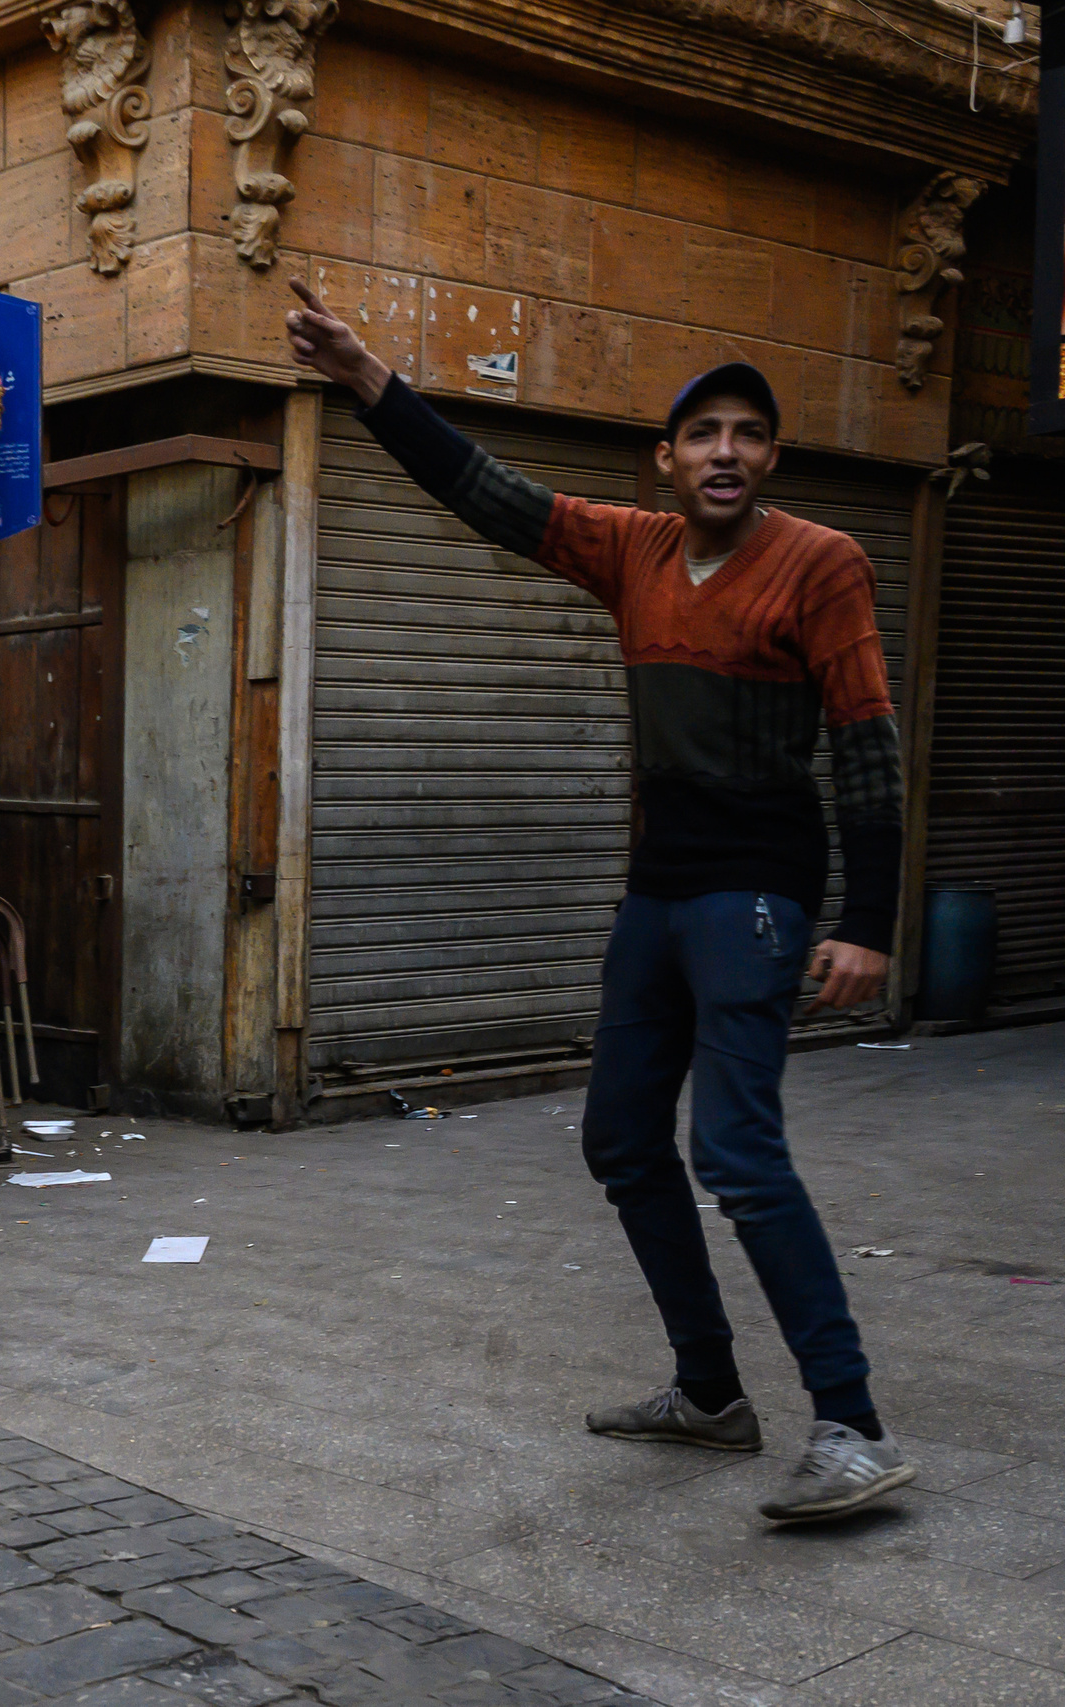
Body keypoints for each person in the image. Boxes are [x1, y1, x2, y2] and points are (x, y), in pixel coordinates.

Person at [284, 279, 915, 1524]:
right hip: (655, 898)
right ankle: (709, 1394)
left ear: (770, 459)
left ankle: (851, 1426)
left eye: (747, 435)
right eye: (702, 434)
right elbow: (485, 491)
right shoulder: (633, 551)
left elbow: (866, 746)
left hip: (755, 899)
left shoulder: (820, 564)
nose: (724, 452)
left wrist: (868, 923)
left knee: (734, 1152)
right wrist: (364, 380)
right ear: (665, 461)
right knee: (621, 1140)